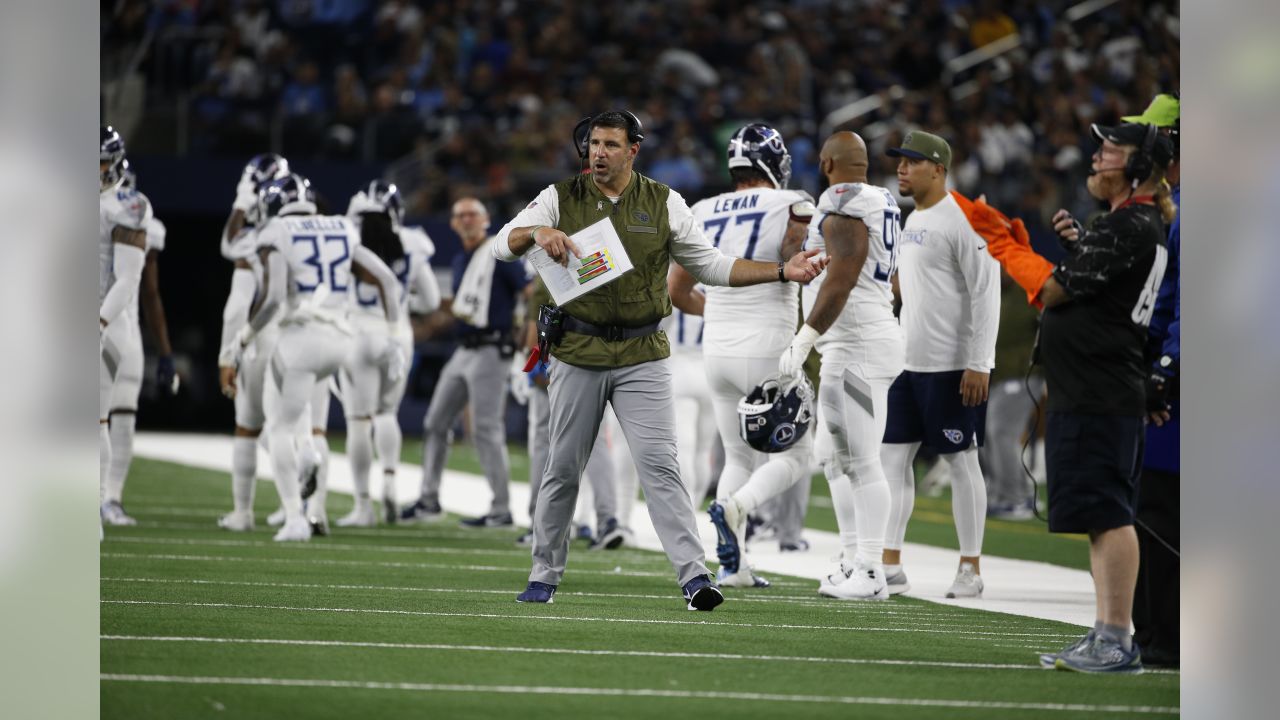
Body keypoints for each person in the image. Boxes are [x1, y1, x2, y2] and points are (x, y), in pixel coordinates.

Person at [492, 110, 826, 609]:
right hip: (579, 350)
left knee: (661, 467)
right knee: (563, 467)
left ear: (633, 150)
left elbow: (710, 265)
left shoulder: (665, 201)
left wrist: (781, 269)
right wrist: (536, 234)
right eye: (594, 144)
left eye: (609, 144)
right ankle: (544, 573)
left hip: (643, 353)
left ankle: (695, 578)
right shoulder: (558, 198)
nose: (598, 152)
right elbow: (503, 244)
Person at [956, 120, 1176, 673]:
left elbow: (1054, 289)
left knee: (1111, 514)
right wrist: (1068, 248)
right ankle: (1107, 632)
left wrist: (1002, 242)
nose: (1098, 158)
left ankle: (1117, 637)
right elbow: (1088, 290)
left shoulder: (1130, 224)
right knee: (1102, 514)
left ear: (1138, 168)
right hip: (1097, 386)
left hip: (1101, 388)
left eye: (1110, 151)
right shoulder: (1132, 224)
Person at [667, 123, 815, 588]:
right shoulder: (792, 202)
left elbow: (676, 291)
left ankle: (734, 567)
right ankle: (739, 506)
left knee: (736, 456)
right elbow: (798, 266)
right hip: (767, 343)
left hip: (717, 348)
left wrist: (719, 312)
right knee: (797, 455)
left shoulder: (702, 207)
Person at [225, 173, 403, 542]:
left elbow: (273, 298)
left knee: (278, 426)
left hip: (300, 338)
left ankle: (294, 516)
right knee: (310, 418)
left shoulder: (277, 230)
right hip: (340, 340)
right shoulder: (340, 225)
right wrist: (394, 337)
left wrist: (242, 339)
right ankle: (308, 453)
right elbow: (385, 278)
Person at [775, 131, 904, 601]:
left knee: (863, 462)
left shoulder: (842, 198)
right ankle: (852, 559)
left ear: (827, 162)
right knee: (835, 458)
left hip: (858, 346)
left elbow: (844, 276)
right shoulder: (881, 197)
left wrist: (805, 336)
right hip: (854, 343)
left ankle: (871, 571)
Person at [881, 131, 1001, 598]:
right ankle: (890, 563)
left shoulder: (966, 219)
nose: (902, 169)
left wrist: (980, 362)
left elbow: (985, 292)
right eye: (900, 161)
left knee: (961, 460)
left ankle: (970, 567)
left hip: (952, 364)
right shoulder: (911, 219)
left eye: (912, 161)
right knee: (893, 458)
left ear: (938, 168)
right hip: (906, 362)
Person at [401, 198, 531, 528]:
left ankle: (501, 509)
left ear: (486, 220)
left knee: (486, 430)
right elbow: (464, 308)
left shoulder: (500, 254)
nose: (467, 219)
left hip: (491, 348)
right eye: (460, 215)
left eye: (473, 213)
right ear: (453, 224)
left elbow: (530, 291)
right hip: (464, 349)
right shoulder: (462, 259)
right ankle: (428, 500)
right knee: (435, 422)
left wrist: (525, 337)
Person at [337, 180, 441, 527]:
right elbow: (429, 301)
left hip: (358, 331)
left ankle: (363, 505)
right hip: (397, 334)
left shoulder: (349, 238)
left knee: (359, 420)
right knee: (386, 415)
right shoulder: (413, 241)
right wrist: (402, 302)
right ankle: (391, 482)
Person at [1123, 93, 1181, 668]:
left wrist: (1166, 369)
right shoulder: (1171, 210)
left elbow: (1187, 304)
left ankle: (1166, 637)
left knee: (1163, 510)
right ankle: (1154, 633)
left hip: (1176, 386)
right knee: (1151, 507)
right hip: (1158, 372)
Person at [215, 153, 295, 532]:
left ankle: (243, 513)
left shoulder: (258, 237)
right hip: (307, 336)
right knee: (299, 429)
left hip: (264, 337)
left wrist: (228, 352)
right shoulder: (316, 227)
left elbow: (236, 307)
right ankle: (300, 508)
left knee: (250, 427)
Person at [514, 277, 624, 550]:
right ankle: (607, 519)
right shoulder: (608, 265)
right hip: (607, 358)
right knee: (597, 443)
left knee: (545, 442)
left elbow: (536, 323)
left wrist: (531, 362)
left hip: (564, 362)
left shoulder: (549, 272)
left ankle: (540, 522)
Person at [99, 126, 150, 527]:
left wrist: (96, 321)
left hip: (108, 323)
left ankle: (99, 507)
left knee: (98, 418)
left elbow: (130, 279)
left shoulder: (126, 205)